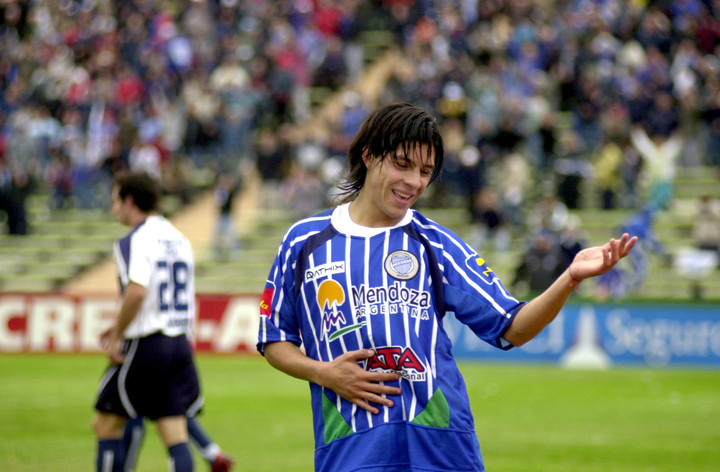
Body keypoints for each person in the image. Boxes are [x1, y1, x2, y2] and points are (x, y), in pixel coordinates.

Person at [256, 103, 638, 472]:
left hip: (441, 449)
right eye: (402, 164)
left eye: (425, 171)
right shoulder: (304, 241)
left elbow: (513, 326)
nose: (414, 181)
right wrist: (325, 373)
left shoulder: (434, 244)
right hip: (351, 449)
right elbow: (273, 339)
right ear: (370, 155)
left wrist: (569, 278)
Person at [92, 171, 232, 472]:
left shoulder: (133, 240)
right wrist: (120, 323)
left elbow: (137, 291)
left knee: (105, 424)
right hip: (179, 343)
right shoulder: (179, 238)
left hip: (148, 343)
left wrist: (117, 334)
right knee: (175, 432)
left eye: (115, 201)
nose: (113, 208)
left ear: (129, 201)